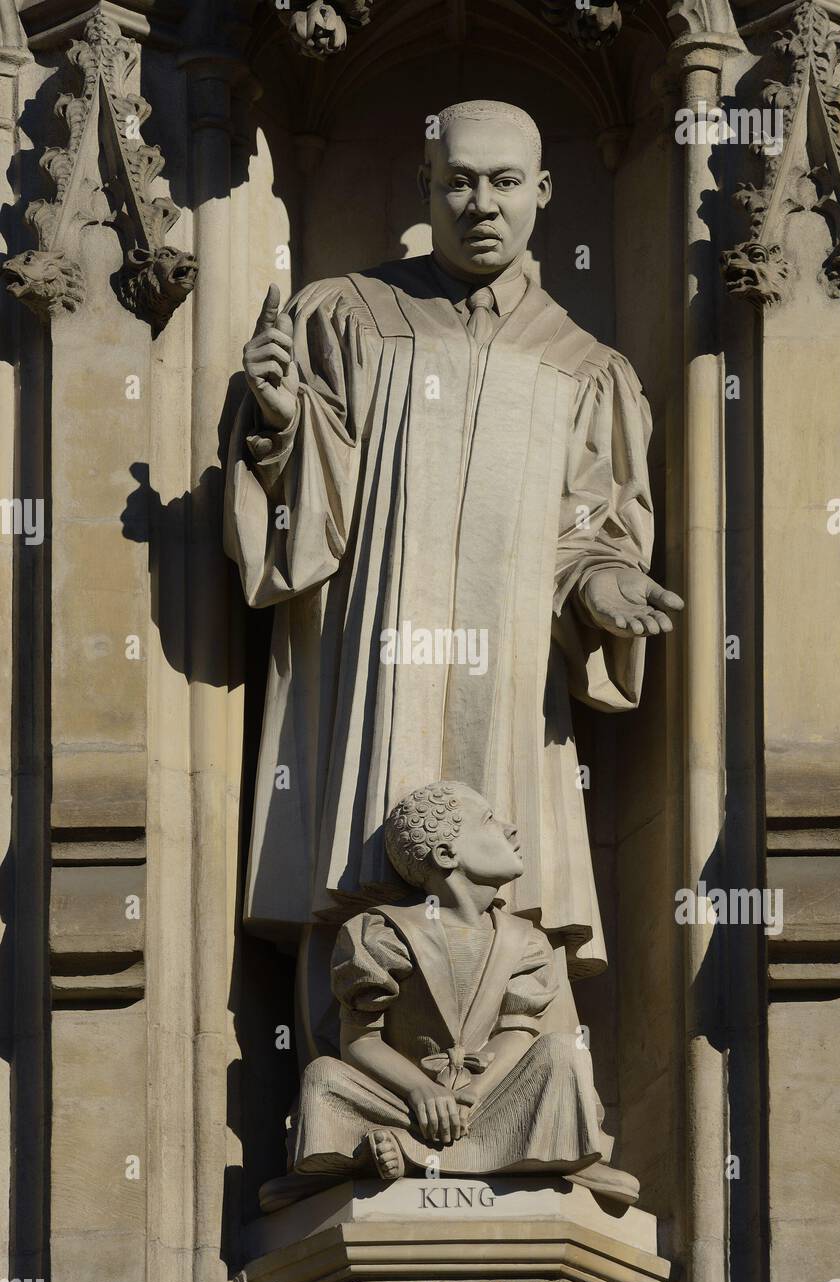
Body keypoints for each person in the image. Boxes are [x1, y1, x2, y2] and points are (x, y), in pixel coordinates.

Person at [224, 99, 683, 981]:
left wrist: (599, 583)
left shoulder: (584, 366)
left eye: (505, 182)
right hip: (372, 663)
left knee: (501, 892)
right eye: (460, 181)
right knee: (364, 897)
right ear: (425, 187)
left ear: (542, 191)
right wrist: (282, 425)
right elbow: (306, 519)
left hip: (507, 678)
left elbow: (587, 530)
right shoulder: (344, 315)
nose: (482, 203)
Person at [292, 781, 605, 1179]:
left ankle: (407, 1150)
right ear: (446, 854)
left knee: (564, 1052)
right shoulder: (380, 932)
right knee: (324, 1078)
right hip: (404, 1102)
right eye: (490, 820)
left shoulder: (528, 941)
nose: (511, 828)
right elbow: (358, 1042)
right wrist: (420, 1089)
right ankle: (459, 1149)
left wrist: (471, 1095)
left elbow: (518, 1031)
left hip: (489, 1098)